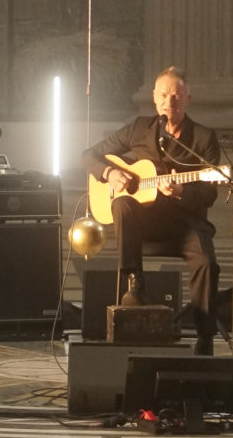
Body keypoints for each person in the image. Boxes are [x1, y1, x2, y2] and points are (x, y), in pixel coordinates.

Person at [83, 68, 224, 353]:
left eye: (176, 96)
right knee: (122, 203)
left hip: (184, 222)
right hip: (144, 222)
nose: (169, 102)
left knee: (207, 263)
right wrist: (110, 173)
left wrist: (182, 191)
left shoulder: (204, 139)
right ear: (154, 98)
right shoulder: (138, 128)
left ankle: (204, 336)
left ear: (188, 99)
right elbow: (88, 156)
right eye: (163, 95)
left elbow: (210, 192)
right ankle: (135, 283)